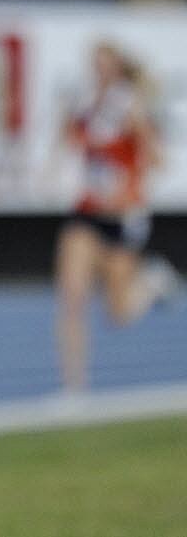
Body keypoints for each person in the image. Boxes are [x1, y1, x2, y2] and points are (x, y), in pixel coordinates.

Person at [55, 42, 180, 393]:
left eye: (106, 66)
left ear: (119, 69)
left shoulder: (130, 105)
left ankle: (152, 282)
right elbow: (69, 141)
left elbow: (156, 160)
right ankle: (73, 389)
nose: (100, 73)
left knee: (118, 314)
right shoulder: (85, 103)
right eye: (96, 66)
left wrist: (128, 181)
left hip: (122, 218)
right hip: (86, 212)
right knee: (72, 297)